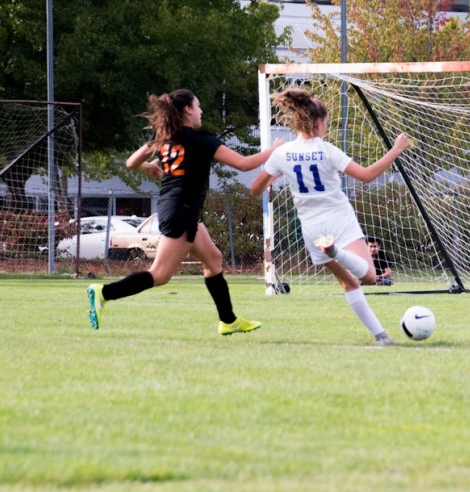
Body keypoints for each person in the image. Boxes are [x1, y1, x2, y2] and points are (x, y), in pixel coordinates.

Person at [86, 89, 284, 335]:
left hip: (177, 208)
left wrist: (148, 166)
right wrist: (275, 149)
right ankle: (104, 293)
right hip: (182, 210)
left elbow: (131, 162)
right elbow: (243, 164)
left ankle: (228, 320)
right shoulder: (201, 140)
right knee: (159, 275)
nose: (201, 111)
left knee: (213, 260)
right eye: (198, 106)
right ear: (188, 110)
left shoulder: (165, 137)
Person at [251, 88, 411, 345]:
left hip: (312, 228)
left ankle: (382, 336)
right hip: (339, 218)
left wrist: (279, 169)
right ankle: (335, 251)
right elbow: (367, 175)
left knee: (349, 283)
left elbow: (256, 188)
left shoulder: (282, 153)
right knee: (369, 277)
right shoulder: (327, 150)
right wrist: (396, 149)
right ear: (318, 122)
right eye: (326, 122)